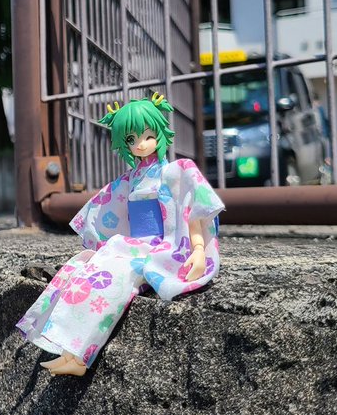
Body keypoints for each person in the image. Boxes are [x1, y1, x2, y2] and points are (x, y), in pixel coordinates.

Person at [15, 94, 226, 376]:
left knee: (114, 282)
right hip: (132, 244)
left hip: (161, 246)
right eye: (131, 139)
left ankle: (80, 356)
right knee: (85, 268)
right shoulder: (130, 179)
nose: (141, 144)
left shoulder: (174, 171)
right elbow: (109, 207)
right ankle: (68, 350)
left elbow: (191, 211)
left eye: (148, 135)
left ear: (160, 133)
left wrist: (198, 249)